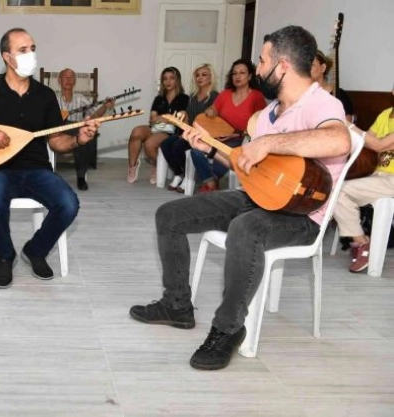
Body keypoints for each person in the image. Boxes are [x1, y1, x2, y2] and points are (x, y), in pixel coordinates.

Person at [129, 25, 350, 370]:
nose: (258, 69)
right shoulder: (270, 112)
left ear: (283, 66)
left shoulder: (320, 102)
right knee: (169, 215)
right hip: (258, 196)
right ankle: (177, 305)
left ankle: (228, 328)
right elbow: (247, 165)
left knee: (245, 229)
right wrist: (209, 149)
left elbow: (339, 140)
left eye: (262, 61)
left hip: (301, 216)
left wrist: (267, 143)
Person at [0, 27, 100, 289]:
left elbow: (56, 141)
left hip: (38, 170)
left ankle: (35, 250)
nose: (30, 55)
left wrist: (78, 140)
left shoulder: (45, 95)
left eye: (32, 49)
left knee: (69, 204)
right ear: (7, 57)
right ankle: (5, 255)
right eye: (23, 50)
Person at [333, 87, 394, 273]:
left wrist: (348, 124)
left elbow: (379, 145)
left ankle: (361, 243)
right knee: (335, 187)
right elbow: (366, 142)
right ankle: (362, 242)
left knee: (340, 190)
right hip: (377, 174)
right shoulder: (385, 114)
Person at [189, 59, 267, 193]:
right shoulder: (225, 94)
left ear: (249, 76)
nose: (237, 76)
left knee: (226, 152)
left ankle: (211, 182)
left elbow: (261, 124)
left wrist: (237, 134)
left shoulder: (257, 96)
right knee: (195, 149)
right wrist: (210, 111)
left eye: (242, 73)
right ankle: (211, 182)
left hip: (241, 139)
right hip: (218, 136)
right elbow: (213, 109)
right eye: (234, 73)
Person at [159, 63, 219, 193]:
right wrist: (183, 115)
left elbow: (215, 120)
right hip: (190, 132)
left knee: (177, 146)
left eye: (204, 75)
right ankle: (179, 173)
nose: (200, 78)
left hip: (204, 136)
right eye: (197, 75)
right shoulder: (192, 96)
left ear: (211, 77)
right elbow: (188, 117)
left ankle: (188, 177)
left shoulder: (215, 96)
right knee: (165, 143)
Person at [127, 67, 188, 184]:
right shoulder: (159, 98)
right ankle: (132, 166)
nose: (168, 81)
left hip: (171, 131)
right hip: (156, 128)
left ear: (177, 80)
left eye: (171, 78)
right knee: (136, 131)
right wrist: (167, 117)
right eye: (165, 79)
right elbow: (152, 119)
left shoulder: (184, 98)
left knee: (149, 143)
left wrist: (162, 118)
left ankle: (157, 164)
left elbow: (178, 120)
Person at [56, 68, 114, 191]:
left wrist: (105, 106)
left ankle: (81, 177)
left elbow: (94, 116)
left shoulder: (81, 98)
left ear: (75, 81)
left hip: (77, 131)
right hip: (58, 132)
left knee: (84, 134)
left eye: (71, 77)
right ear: (59, 80)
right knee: (80, 130)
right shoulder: (52, 98)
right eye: (65, 77)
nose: (68, 80)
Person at [311, 50, 355, 122]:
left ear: (323, 68)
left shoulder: (339, 95)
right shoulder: (301, 95)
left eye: (311, 65)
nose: (305, 69)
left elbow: (346, 123)